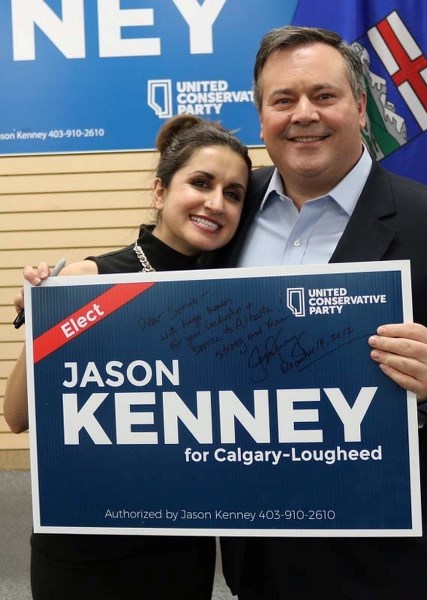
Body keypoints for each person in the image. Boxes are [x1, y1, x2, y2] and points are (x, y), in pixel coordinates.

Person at [214, 26, 427, 600]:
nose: (303, 113)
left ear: (360, 107)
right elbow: (155, 268)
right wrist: (79, 274)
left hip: (383, 561)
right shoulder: (226, 209)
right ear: (261, 117)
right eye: (283, 99)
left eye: (323, 96)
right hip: (257, 550)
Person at [4, 114, 252, 600]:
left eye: (234, 193)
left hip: (181, 546)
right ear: (160, 192)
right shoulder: (87, 282)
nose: (215, 202)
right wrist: (45, 314)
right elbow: (15, 417)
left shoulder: (236, 295)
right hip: (86, 546)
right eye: (200, 182)